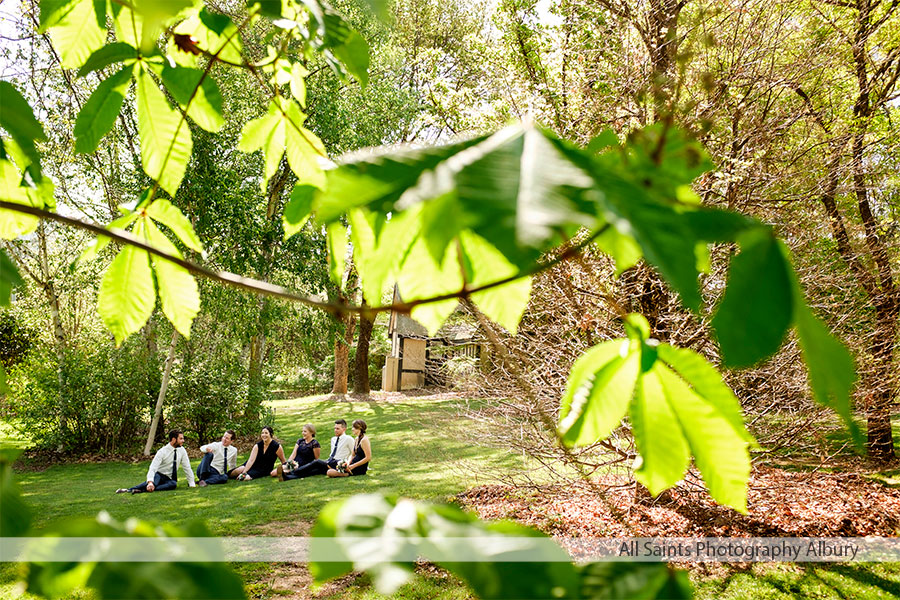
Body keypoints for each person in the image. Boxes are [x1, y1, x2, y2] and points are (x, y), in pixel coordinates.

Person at [116, 430, 195, 494]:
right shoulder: (162, 451)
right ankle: (128, 490)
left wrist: (192, 483)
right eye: (181, 439)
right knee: (154, 483)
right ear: (174, 439)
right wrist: (150, 482)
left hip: (169, 479)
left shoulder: (182, 450)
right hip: (158, 475)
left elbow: (187, 467)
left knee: (173, 484)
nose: (183, 441)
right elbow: (153, 467)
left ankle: (140, 490)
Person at [279, 419, 354, 481]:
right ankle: (288, 477)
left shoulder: (349, 439)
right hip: (329, 461)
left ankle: (291, 472)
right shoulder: (333, 439)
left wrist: (348, 464)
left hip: (338, 464)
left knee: (316, 462)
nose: (335, 430)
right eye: (334, 428)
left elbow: (353, 453)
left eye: (338, 429)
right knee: (314, 471)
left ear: (344, 429)